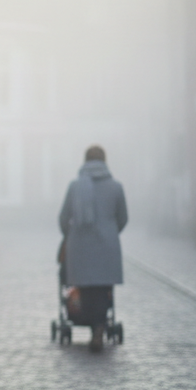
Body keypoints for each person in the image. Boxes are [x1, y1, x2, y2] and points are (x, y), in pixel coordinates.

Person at [58, 145, 128, 350]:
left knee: (85, 288)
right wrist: (111, 234)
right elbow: (123, 218)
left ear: (85, 161)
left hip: (80, 247)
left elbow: (63, 218)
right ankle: (99, 325)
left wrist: (69, 236)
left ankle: (91, 325)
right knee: (103, 288)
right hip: (107, 246)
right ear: (105, 162)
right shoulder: (116, 187)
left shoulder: (74, 187)